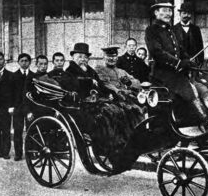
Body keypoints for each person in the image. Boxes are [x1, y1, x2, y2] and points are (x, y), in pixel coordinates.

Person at [57, 43, 143, 173]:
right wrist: (89, 83)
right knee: (108, 113)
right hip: (80, 106)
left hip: (96, 102)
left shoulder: (90, 71)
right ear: (73, 57)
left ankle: (119, 147)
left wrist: (111, 94)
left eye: (85, 57)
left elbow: (101, 87)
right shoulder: (69, 72)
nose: (83, 59)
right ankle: (110, 149)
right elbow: (72, 87)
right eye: (80, 56)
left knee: (118, 110)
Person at [145, 0, 208, 126]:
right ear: (156, 12)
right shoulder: (151, 30)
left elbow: (179, 49)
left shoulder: (170, 30)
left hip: (176, 75)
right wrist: (179, 63)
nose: (168, 14)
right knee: (187, 95)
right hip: (162, 76)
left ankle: (198, 126)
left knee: (192, 93)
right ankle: (201, 122)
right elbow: (157, 52)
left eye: (170, 11)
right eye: (164, 11)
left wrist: (188, 60)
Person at [13, 53, 35, 161]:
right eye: (22, 61)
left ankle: (30, 152)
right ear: (18, 62)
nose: (24, 63)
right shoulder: (13, 76)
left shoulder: (33, 76)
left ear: (30, 62)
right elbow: (9, 93)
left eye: (26, 60)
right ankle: (18, 153)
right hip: (17, 109)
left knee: (30, 130)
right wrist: (11, 107)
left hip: (29, 109)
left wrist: (31, 110)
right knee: (18, 131)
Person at [0, 52, 13, 159]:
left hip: (5, 108)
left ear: (4, 61)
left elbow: (13, 93)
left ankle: (6, 152)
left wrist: (11, 106)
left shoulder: (10, 75)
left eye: (1, 59)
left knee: (6, 130)